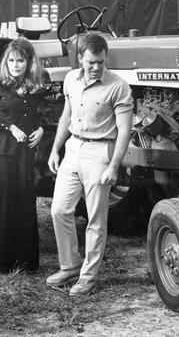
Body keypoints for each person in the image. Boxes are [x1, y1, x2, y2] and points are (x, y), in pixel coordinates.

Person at [46, 33, 133, 296]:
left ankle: (89, 277)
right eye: (91, 62)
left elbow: (124, 131)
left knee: (96, 219)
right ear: (81, 59)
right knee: (59, 210)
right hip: (73, 148)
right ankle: (70, 266)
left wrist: (113, 166)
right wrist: (55, 149)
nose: (96, 67)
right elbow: (66, 115)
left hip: (100, 152)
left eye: (101, 62)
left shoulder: (119, 87)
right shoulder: (71, 79)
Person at [0, 38, 47, 274]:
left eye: (20, 60)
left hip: (25, 153)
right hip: (2, 152)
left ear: (29, 63)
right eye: (11, 60)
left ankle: (26, 264)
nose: (15, 65)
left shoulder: (35, 86)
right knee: (3, 205)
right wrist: (9, 127)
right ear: (5, 62)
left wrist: (41, 129)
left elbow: (41, 115)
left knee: (25, 204)